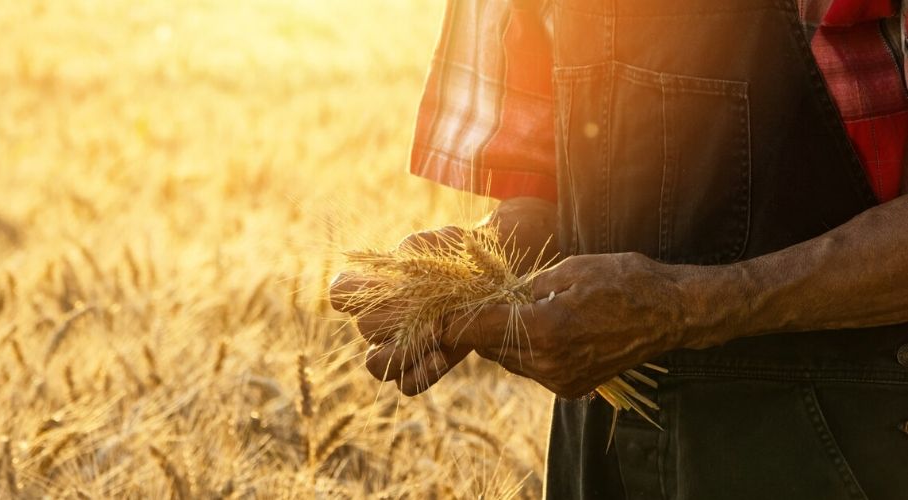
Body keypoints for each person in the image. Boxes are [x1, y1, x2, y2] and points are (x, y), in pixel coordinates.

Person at [331, 0, 908, 498]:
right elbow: (555, 187)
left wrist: (683, 307)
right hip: (597, 452)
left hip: (834, 449)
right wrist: (477, 267)